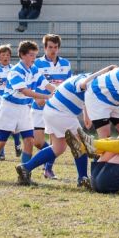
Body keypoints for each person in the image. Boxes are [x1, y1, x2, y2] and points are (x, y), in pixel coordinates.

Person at [14, 66, 115, 188]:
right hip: (60, 113)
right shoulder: (89, 80)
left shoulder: (90, 80)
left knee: (58, 147)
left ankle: (26, 167)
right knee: (80, 144)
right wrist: (104, 70)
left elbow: (84, 96)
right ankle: (82, 178)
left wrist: (86, 115)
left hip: (53, 110)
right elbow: (83, 85)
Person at [0, 40, 55, 185]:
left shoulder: (34, 69)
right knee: (1, 141)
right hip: (9, 108)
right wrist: (45, 96)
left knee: (29, 141)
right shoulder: (15, 71)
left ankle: (24, 176)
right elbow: (24, 91)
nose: (34, 58)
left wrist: (56, 92)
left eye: (35, 55)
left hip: (24, 109)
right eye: (31, 55)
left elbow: (46, 85)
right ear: (22, 55)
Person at [30, 34, 72, 179]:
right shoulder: (36, 63)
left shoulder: (66, 64)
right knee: (38, 142)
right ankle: (47, 159)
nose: (53, 50)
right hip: (39, 107)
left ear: (58, 48)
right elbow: (31, 82)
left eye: (55, 47)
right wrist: (36, 97)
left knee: (55, 141)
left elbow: (68, 86)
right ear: (45, 47)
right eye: (50, 47)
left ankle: (48, 169)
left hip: (57, 109)